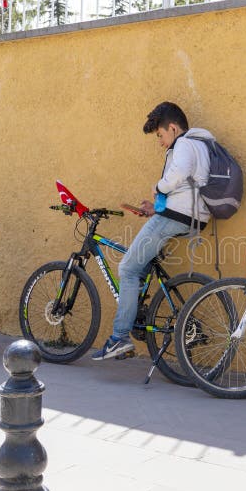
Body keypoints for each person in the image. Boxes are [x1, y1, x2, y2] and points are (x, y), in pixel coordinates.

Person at [92, 101, 214, 360]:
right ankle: (138, 314)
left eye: (160, 135)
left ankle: (119, 338)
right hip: (188, 216)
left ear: (172, 128)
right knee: (141, 266)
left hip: (177, 215)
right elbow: (187, 187)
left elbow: (179, 173)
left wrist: (158, 188)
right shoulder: (199, 145)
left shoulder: (184, 143)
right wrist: (155, 208)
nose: (160, 141)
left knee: (127, 268)